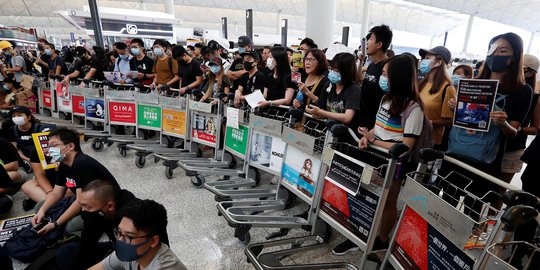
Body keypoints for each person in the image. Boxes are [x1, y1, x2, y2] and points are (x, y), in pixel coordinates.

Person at [447, 33, 533, 211]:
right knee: (446, 202)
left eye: (503, 50)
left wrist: (502, 122)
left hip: (485, 162)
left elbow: (513, 132)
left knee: (473, 209)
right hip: (457, 152)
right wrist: (454, 108)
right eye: (492, 49)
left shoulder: (522, 90)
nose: (495, 54)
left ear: (515, 56)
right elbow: (461, 119)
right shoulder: (473, 83)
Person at [358, 54, 426, 251]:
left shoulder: (414, 108)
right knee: (371, 195)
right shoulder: (386, 98)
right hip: (374, 155)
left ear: (399, 77)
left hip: (394, 162)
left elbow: (406, 146)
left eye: (386, 74)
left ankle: (382, 238)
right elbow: (377, 128)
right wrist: (367, 136)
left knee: (389, 201)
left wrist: (375, 141)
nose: (382, 78)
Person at [31, 128, 120, 239]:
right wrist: (41, 211)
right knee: (39, 207)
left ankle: (90, 232)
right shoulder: (64, 163)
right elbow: (56, 193)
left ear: (70, 146)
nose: (49, 150)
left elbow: (80, 201)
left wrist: (56, 224)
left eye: (54, 145)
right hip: (84, 202)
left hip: (101, 207)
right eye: (48, 146)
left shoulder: (81, 163)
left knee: (70, 226)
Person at [55, 179, 138, 270]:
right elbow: (86, 244)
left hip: (132, 255)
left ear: (109, 206)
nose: (83, 210)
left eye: (87, 206)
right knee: (67, 251)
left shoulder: (133, 214)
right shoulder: (97, 213)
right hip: (115, 247)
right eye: (82, 205)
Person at [89, 199, 186, 270]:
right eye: (119, 232)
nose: (120, 240)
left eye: (129, 236)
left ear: (153, 241)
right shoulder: (132, 252)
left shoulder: (164, 267)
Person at [500, 54, 540, 184]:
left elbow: (535, 128)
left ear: (531, 73)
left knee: (499, 193)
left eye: (520, 68)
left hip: (512, 148)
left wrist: (516, 128)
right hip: (491, 145)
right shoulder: (504, 90)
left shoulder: (534, 97)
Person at [306, 52, 360, 135]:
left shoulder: (353, 89)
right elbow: (322, 109)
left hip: (345, 136)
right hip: (328, 133)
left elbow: (347, 117)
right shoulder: (329, 85)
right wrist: (317, 113)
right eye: (331, 69)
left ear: (346, 71)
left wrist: (321, 113)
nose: (332, 72)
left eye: (337, 70)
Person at [417, 46, 457, 149]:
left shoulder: (447, 88)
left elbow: (450, 121)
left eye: (427, 58)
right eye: (424, 58)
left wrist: (430, 122)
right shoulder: (423, 84)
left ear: (438, 63)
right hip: (415, 136)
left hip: (431, 142)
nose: (423, 61)